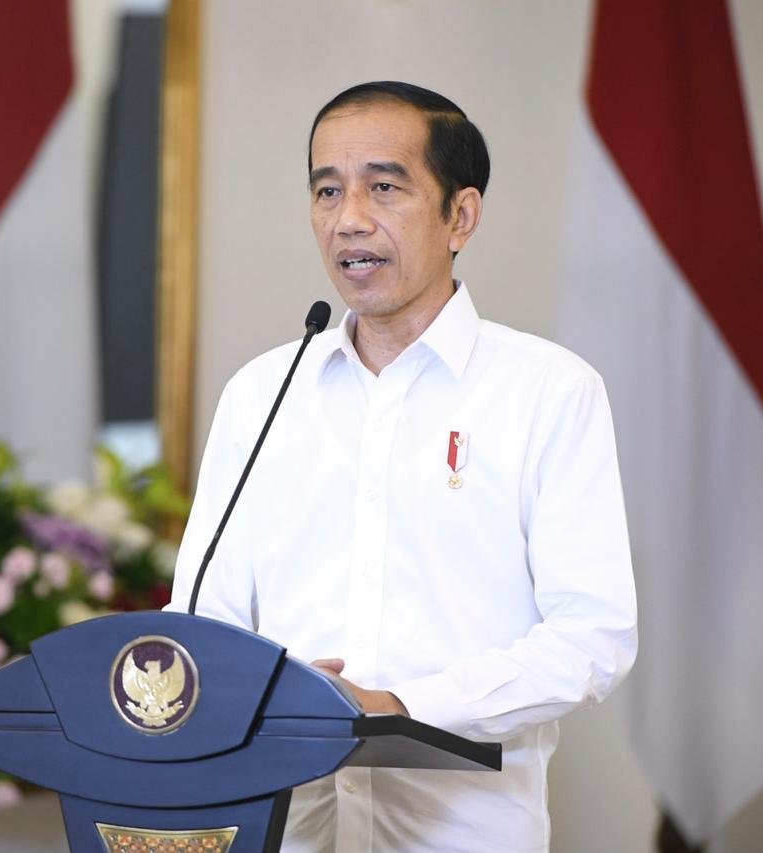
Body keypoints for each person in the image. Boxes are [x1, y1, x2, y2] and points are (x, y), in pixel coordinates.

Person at [167, 82, 638, 852]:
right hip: (283, 828)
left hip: (464, 836)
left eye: (384, 187)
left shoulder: (549, 391)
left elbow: (593, 637)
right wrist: (257, 691)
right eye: (327, 190)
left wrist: (399, 706)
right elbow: (200, 621)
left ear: (461, 216)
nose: (349, 218)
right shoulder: (261, 393)